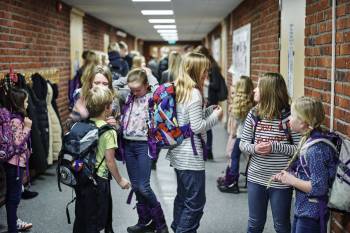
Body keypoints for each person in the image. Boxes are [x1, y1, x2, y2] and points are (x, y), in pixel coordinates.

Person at [166, 52, 223, 233]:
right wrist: (216, 116)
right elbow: (197, 127)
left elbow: (187, 122)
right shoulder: (195, 93)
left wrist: (207, 112)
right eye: (205, 70)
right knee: (196, 201)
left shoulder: (178, 88)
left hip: (178, 151)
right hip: (191, 155)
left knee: (183, 196)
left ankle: (178, 227)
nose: (207, 73)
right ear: (196, 70)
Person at [239, 73, 301, 233]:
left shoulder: (289, 118)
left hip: (281, 180)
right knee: (255, 224)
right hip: (255, 178)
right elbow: (243, 144)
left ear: (269, 91)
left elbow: (300, 150)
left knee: (281, 225)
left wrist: (275, 146)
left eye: (259, 86)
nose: (254, 90)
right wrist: (255, 148)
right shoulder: (254, 114)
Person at [272, 96, 338, 233]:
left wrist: (292, 180)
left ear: (303, 122)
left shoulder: (315, 150)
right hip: (303, 209)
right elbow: (308, 173)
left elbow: (319, 188)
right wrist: (290, 175)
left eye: (292, 115)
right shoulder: (307, 139)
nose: (289, 118)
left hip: (312, 214)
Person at [73, 85, 130, 233]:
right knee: (97, 218)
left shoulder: (84, 124)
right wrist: (120, 180)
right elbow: (110, 161)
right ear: (106, 108)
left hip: (82, 177)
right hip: (99, 180)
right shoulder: (108, 131)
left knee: (82, 215)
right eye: (111, 104)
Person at [122, 68, 168, 233]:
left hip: (144, 145)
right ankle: (144, 221)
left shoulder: (152, 96)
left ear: (146, 86)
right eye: (132, 89)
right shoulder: (128, 96)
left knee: (144, 186)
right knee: (136, 186)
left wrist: (146, 72)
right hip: (128, 144)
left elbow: (158, 86)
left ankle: (160, 224)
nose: (134, 92)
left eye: (138, 89)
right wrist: (128, 78)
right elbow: (114, 85)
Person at [217, 76, 254, 193]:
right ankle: (250, 180)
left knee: (234, 157)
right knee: (250, 158)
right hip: (251, 136)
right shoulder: (252, 104)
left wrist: (232, 134)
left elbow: (234, 125)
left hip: (240, 136)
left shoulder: (238, 105)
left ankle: (233, 181)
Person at [4, 88, 33, 232]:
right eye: (26, 101)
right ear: (19, 103)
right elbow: (17, 143)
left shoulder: (18, 118)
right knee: (13, 198)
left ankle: (13, 225)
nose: (27, 104)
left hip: (16, 163)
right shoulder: (16, 120)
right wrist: (27, 128)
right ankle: (12, 229)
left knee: (14, 197)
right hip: (14, 164)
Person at [194, 45, 227, 160]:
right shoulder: (202, 67)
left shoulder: (213, 68)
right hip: (203, 97)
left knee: (207, 127)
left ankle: (208, 151)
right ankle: (204, 150)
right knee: (202, 125)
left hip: (210, 99)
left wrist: (205, 82)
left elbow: (216, 85)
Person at [67, 65, 120, 129]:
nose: (101, 87)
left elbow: (119, 125)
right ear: (90, 83)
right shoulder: (82, 97)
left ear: (109, 85)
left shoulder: (113, 99)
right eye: (97, 83)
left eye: (105, 84)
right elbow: (69, 125)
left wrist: (115, 124)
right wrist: (80, 119)